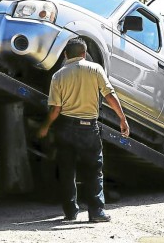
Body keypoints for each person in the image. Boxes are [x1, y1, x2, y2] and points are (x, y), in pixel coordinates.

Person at [37, 37, 130, 223]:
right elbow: (109, 94)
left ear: (65, 55)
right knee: (94, 169)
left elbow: (55, 109)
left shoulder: (58, 76)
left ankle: (70, 212)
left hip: (66, 127)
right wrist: (122, 118)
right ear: (84, 54)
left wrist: (45, 127)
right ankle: (96, 212)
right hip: (89, 128)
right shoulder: (95, 69)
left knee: (66, 170)